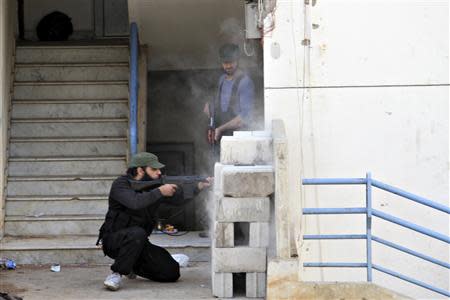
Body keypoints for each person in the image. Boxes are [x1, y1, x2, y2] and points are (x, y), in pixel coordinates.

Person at [97, 152, 211, 291]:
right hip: (113, 241)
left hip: (139, 244)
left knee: (171, 273)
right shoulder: (121, 184)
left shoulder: (154, 187)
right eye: (154, 169)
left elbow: (178, 200)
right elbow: (135, 202)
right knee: (137, 233)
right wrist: (160, 192)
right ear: (140, 170)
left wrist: (198, 186)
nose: (159, 172)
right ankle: (117, 273)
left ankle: (132, 263)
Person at [203, 43, 255, 155]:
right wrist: (209, 107)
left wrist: (220, 129)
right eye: (225, 63)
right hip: (221, 139)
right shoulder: (222, 79)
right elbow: (219, 104)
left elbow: (244, 118)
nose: (228, 66)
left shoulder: (245, 82)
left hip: (238, 140)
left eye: (231, 62)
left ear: (237, 60)